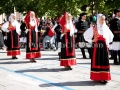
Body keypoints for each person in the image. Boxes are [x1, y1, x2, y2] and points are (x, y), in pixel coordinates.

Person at [83, 14, 114, 84]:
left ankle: (104, 77)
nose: (103, 21)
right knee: (97, 61)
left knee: (104, 61)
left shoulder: (106, 28)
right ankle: (99, 76)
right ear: (98, 19)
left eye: (104, 19)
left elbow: (111, 36)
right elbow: (85, 35)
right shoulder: (94, 28)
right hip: (96, 47)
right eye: (101, 19)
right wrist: (91, 40)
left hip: (104, 47)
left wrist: (107, 42)